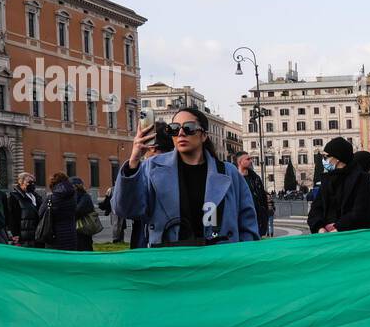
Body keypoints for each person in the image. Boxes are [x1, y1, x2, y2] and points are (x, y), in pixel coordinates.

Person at [113, 105, 259, 246]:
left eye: (188, 128)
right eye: (174, 129)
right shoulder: (151, 168)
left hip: (219, 261)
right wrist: (134, 160)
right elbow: (125, 210)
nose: (181, 133)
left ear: (203, 135)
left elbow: (247, 223)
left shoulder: (229, 172)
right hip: (170, 261)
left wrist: (243, 256)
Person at [307, 136, 370, 233]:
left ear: (337, 158)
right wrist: (319, 227)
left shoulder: (360, 178)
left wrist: (338, 228)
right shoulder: (327, 179)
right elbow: (315, 209)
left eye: (326, 156)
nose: (324, 160)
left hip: (351, 237)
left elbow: (360, 210)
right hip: (328, 237)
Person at [40, 172, 79, 251]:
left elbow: (41, 213)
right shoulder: (72, 197)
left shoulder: (51, 198)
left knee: (55, 260)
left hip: (54, 235)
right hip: (71, 233)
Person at [236, 152, 270, 237]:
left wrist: (265, 215)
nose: (251, 161)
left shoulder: (256, 178)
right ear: (240, 162)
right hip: (241, 219)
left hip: (258, 219)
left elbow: (263, 197)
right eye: (248, 159)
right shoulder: (233, 178)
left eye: (250, 159)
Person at [7, 172, 43, 246]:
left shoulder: (37, 197)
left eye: (33, 182)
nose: (32, 184)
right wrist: (15, 234)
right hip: (23, 237)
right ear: (21, 182)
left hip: (37, 235)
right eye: (29, 182)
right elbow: (11, 217)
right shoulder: (14, 197)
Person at [71, 177, 99, 251]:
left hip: (83, 227)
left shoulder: (84, 197)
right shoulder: (83, 196)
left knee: (83, 245)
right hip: (82, 228)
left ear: (75, 186)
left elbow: (78, 211)